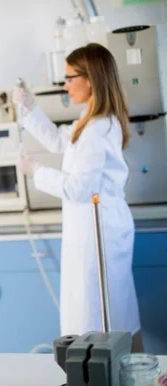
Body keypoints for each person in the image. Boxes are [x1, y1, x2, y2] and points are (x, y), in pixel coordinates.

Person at [12, 43, 142, 351]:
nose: (65, 84)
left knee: (103, 319)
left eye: (71, 77)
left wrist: (36, 171)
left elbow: (80, 189)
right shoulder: (91, 121)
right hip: (95, 230)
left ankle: (109, 381)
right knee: (106, 315)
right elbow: (60, 141)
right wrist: (29, 107)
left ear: (92, 79)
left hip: (99, 234)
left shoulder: (97, 129)